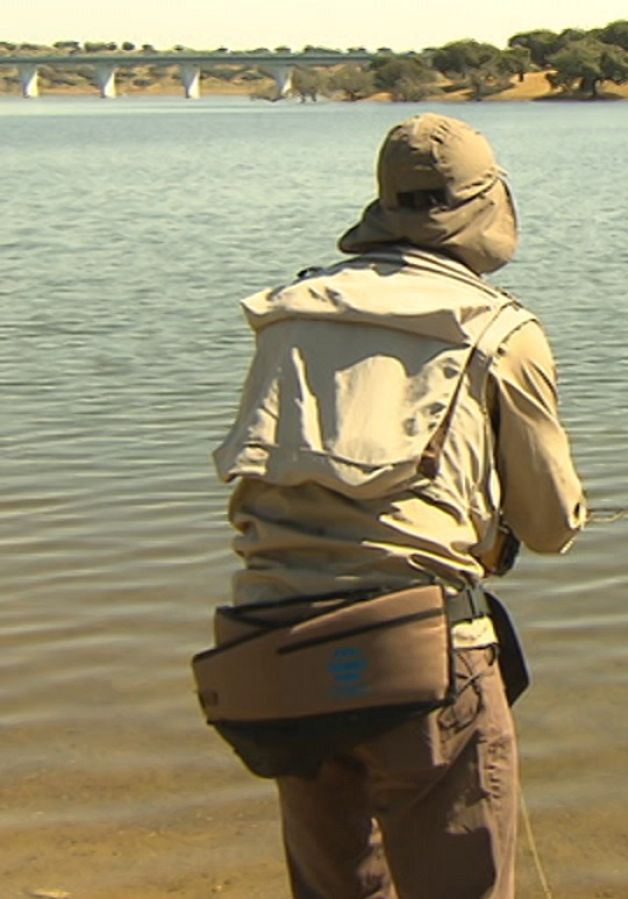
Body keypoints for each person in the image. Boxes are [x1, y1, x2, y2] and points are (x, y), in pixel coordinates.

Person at [209, 113, 586, 899]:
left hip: (273, 651)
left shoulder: (288, 311)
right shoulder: (504, 331)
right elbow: (551, 528)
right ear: (490, 206)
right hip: (420, 655)